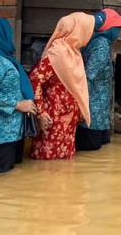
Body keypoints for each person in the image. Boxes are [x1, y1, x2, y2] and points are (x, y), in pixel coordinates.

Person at [0, 16, 38, 174]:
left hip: (15, 131)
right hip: (1, 134)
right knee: (1, 178)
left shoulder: (6, 58)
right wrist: (17, 104)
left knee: (13, 179)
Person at [29, 12, 95, 160]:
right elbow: (35, 80)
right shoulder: (56, 54)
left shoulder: (73, 53)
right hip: (53, 120)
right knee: (49, 163)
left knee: (64, 167)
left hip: (68, 120)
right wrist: (41, 113)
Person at [77, 8, 121, 151]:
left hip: (97, 115)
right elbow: (87, 79)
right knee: (92, 153)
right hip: (93, 116)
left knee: (100, 151)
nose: (119, 31)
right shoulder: (101, 47)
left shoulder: (94, 41)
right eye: (117, 27)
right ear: (109, 29)